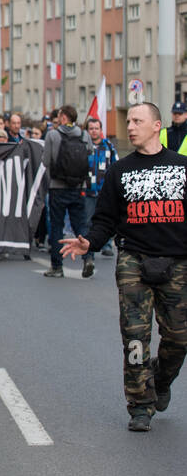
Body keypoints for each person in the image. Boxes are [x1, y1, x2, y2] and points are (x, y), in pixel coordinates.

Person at [61, 101, 187, 431]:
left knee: (179, 338)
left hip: (177, 262)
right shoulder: (121, 170)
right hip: (134, 260)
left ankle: (160, 381)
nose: (130, 126)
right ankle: (140, 405)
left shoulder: (182, 166)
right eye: (128, 120)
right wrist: (90, 241)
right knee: (134, 338)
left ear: (157, 125)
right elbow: (105, 218)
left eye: (137, 120)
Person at [43, 104, 94, 278]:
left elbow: (45, 161)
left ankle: (57, 266)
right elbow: (89, 153)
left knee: (57, 226)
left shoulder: (53, 135)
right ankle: (88, 258)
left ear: (63, 117)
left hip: (57, 187)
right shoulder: (84, 134)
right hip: (79, 187)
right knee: (80, 225)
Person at [85, 115, 118, 259]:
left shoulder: (109, 147)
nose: (93, 131)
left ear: (101, 130)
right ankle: (88, 246)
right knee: (88, 220)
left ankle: (107, 245)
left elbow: (115, 166)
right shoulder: (84, 146)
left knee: (107, 219)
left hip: (105, 191)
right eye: (91, 129)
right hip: (87, 190)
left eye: (96, 128)